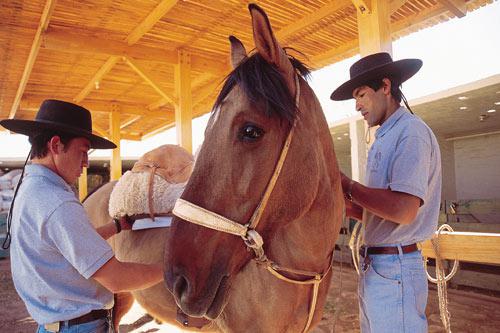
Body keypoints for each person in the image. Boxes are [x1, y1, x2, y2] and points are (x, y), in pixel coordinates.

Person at [0, 100, 164, 333]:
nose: (86, 162)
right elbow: (116, 279)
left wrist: (116, 227)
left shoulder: (30, 190)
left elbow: (65, 246)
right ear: (56, 145)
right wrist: (170, 270)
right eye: (83, 151)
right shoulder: (57, 203)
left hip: (53, 325)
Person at [330, 52, 442, 333]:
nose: (357, 106)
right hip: (380, 266)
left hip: (396, 269)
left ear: (386, 86)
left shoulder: (411, 132)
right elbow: (378, 215)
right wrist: (336, 201)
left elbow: (404, 210)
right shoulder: (384, 137)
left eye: (361, 95)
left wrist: (348, 186)